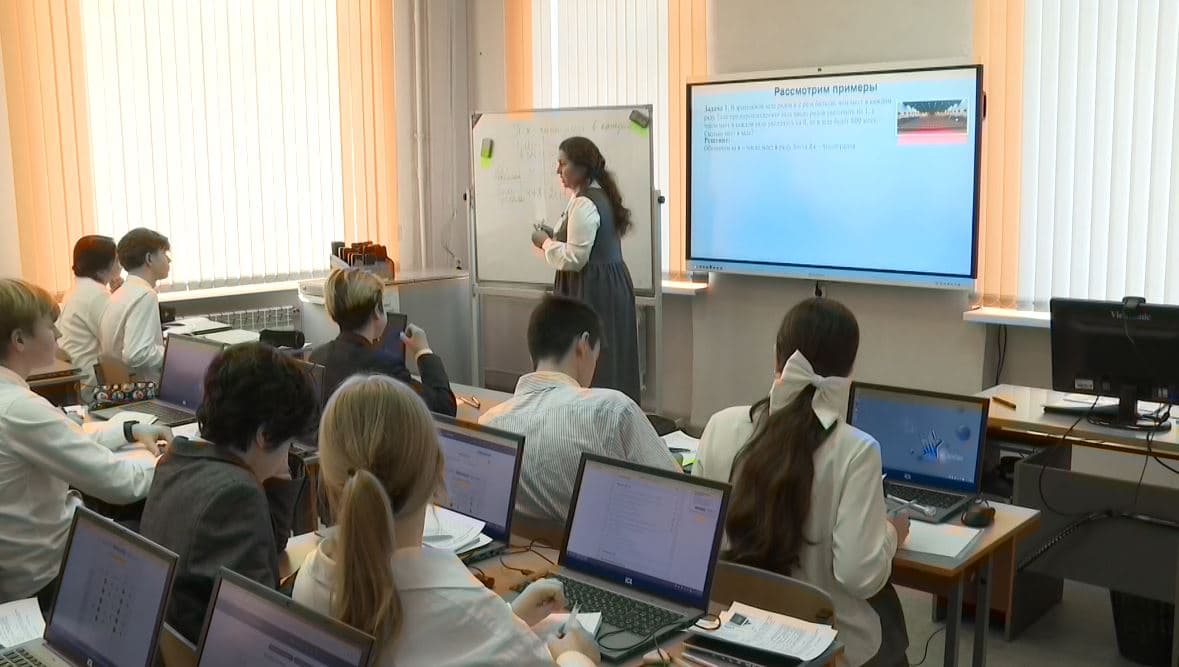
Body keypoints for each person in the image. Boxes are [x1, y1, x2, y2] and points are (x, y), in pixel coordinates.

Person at [293, 374, 599, 666]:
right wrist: (575, 655)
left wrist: (509, 618)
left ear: (328, 474)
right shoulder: (470, 612)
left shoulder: (311, 580)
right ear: (438, 473)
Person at [693, 298, 909, 667]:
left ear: (776, 357)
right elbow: (859, 576)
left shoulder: (720, 426)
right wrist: (890, 533)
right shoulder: (858, 450)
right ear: (850, 368)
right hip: (822, 647)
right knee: (889, 621)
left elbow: (699, 540)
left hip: (729, 625)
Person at [0, 278, 171, 611]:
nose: (59, 335)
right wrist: (176, 465)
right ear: (19, 339)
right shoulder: (19, 409)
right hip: (48, 577)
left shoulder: (13, 401)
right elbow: (120, 483)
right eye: (50, 326)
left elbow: (61, 440)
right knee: (163, 533)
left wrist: (128, 431)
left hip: (24, 564)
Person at [140, 342, 319, 642]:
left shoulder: (176, 461)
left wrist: (278, 477)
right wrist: (317, 572)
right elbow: (261, 620)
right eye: (288, 443)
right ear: (265, 436)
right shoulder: (236, 494)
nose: (287, 454)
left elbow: (264, 553)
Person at [480, 296, 678, 523]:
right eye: (597, 355)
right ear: (583, 345)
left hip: (522, 547)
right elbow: (676, 494)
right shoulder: (612, 410)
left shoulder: (490, 424)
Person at [530, 136, 640, 402]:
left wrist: (545, 243)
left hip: (592, 289)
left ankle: (588, 415)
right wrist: (554, 235)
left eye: (563, 163)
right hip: (607, 286)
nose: (558, 170)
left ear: (581, 167)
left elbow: (576, 257)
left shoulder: (584, 203)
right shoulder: (594, 196)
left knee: (590, 362)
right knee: (610, 360)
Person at [310, 268, 456, 416]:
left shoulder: (317, 358)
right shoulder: (386, 368)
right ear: (376, 311)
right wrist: (423, 352)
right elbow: (444, 408)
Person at [100, 228, 171, 381]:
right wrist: (173, 354)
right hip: (144, 387)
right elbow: (137, 354)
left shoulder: (121, 292)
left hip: (121, 386)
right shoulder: (145, 294)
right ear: (149, 258)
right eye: (164, 253)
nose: (169, 260)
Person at [57, 235, 123, 400]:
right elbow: (115, 343)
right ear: (102, 266)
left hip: (78, 378)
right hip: (93, 385)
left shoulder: (77, 290)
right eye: (116, 260)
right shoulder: (97, 295)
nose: (120, 265)